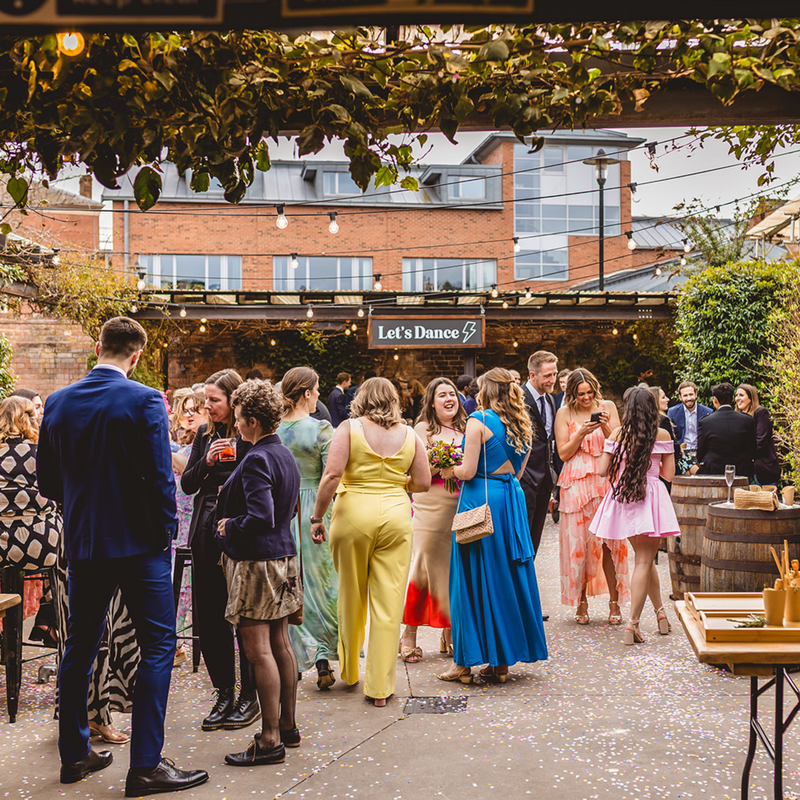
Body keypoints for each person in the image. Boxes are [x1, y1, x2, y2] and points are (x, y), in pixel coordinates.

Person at [36, 317, 207, 794]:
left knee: (80, 648)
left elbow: (48, 482)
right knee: (158, 646)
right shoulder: (146, 399)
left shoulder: (57, 402)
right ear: (135, 356)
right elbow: (158, 477)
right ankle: (146, 765)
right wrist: (167, 534)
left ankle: (75, 755)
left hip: (85, 544)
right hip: (139, 545)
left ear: (98, 347)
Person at [310, 378, 431, 706]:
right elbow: (423, 482)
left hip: (352, 516)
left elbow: (332, 475)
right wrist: (396, 481)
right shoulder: (410, 434)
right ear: (394, 400)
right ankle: (379, 690)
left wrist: (317, 516)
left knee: (350, 594)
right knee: (388, 602)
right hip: (395, 515)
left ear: (361, 399)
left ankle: (350, 671)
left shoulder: (349, 428)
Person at [438, 368, 548, 684]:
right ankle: (500, 664)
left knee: (469, 579)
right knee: (505, 576)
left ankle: (464, 662)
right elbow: (520, 469)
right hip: (509, 500)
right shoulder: (522, 424)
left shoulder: (479, 421)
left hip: (480, 501)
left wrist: (448, 467)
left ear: (485, 391)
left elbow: (468, 471)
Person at [215, 379, 302, 766]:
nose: (235, 426)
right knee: (281, 644)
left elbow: (261, 515)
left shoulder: (256, 458)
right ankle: (287, 725)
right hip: (284, 559)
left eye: (238, 420)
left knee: (258, 651)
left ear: (252, 420)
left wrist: (229, 525)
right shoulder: (283, 454)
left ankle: (269, 739)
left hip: (257, 564)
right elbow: (290, 510)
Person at [181, 369, 258, 732]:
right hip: (206, 528)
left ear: (234, 400)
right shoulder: (203, 434)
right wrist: (207, 461)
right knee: (210, 614)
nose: (206, 406)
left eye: (214, 400)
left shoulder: (252, 436)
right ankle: (223, 692)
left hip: (240, 530)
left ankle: (249, 696)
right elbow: (188, 484)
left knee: (244, 614)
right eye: (205, 400)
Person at [590, 387, 680, 644]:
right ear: (652, 408)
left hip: (624, 497)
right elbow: (669, 474)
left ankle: (660, 613)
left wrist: (624, 466)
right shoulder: (660, 433)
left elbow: (603, 470)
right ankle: (633, 624)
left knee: (644, 561)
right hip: (650, 497)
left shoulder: (618, 433)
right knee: (644, 561)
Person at [278, 367, 339, 690]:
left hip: (282, 508)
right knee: (322, 583)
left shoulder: (274, 429)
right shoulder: (320, 429)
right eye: (316, 390)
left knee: (288, 580)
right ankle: (323, 656)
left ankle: (291, 655)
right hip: (316, 506)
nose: (318, 395)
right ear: (305, 393)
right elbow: (334, 472)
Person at [554, 368, 629, 625]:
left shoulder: (608, 406)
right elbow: (563, 453)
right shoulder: (564, 413)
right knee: (580, 546)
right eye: (581, 394)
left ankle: (614, 602)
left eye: (589, 393)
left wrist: (606, 425)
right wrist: (581, 433)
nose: (586, 398)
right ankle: (581, 602)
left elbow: (619, 444)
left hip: (605, 479)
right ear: (572, 393)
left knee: (611, 543)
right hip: (576, 482)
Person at [400, 377, 466, 662]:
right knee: (423, 567)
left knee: (453, 570)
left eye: (452, 394)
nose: (449, 399)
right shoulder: (422, 430)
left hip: (460, 506)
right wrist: (444, 463)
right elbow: (418, 471)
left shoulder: (467, 429)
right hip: (429, 506)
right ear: (432, 401)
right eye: (442, 395)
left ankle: (449, 631)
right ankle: (409, 634)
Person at [170, 391, 208, 666]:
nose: (190, 414)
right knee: (178, 583)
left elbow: (189, 471)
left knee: (190, 584)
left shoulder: (204, 445)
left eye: (196, 408)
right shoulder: (182, 443)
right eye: (186, 410)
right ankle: (178, 641)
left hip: (196, 518)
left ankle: (188, 640)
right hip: (178, 518)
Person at [520, 350, 558, 560]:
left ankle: (528, 583)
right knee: (521, 538)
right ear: (532, 375)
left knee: (535, 539)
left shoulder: (550, 400)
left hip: (544, 479)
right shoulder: (517, 398)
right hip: (524, 478)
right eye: (547, 376)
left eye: (554, 374)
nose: (552, 380)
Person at [696, 382, 756, 480]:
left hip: (713, 473)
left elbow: (701, 452)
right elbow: (752, 449)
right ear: (732, 399)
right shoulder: (747, 420)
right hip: (742, 472)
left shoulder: (706, 421)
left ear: (715, 400)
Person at [735, 384, 780, 486]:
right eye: (736, 395)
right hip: (743, 469)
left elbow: (761, 441)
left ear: (751, 398)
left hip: (762, 470)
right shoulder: (736, 416)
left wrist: (743, 454)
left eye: (741, 395)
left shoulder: (760, 413)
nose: (738, 398)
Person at [648, 386, 681, 490]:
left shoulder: (647, 419)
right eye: (663, 397)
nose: (667, 399)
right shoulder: (663, 420)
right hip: (665, 468)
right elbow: (673, 447)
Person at [667, 381, 712, 450]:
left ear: (696, 394)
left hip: (701, 452)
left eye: (691, 394)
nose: (689, 398)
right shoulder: (672, 412)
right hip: (681, 452)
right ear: (680, 397)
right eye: (685, 395)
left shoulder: (707, 412)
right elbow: (670, 436)